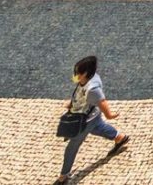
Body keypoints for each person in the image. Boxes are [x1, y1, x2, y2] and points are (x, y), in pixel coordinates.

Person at [55, 55, 129, 184]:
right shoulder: (86, 78)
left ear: (86, 74)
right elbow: (79, 91)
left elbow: (102, 102)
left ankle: (64, 175)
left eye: (78, 73)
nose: (75, 75)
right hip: (91, 115)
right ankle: (120, 138)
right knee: (98, 127)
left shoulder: (92, 89)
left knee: (72, 146)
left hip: (85, 119)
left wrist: (109, 115)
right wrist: (72, 102)